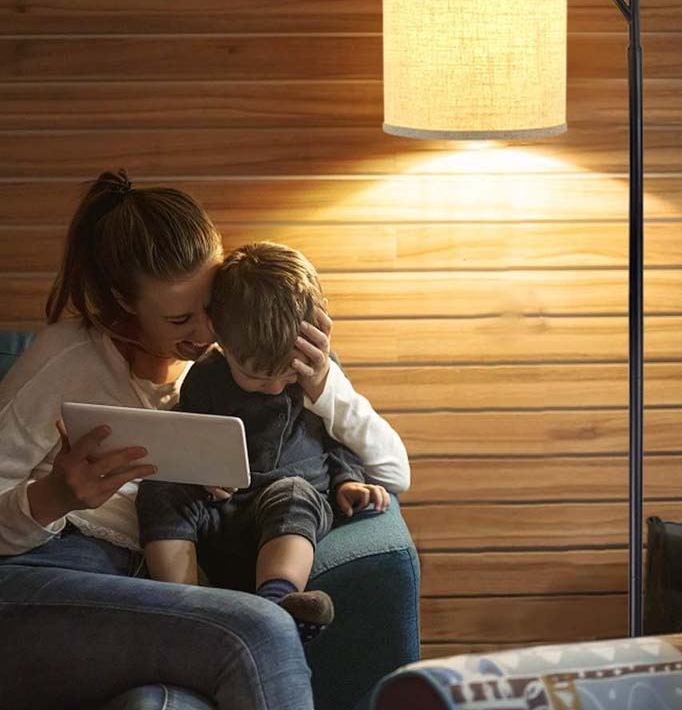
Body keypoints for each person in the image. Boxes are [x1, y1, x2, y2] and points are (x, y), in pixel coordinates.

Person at [0, 170, 411, 710]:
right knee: (260, 628)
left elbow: (391, 471)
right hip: (43, 579)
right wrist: (53, 497)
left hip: (152, 590)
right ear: (126, 302)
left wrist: (325, 386)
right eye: (178, 318)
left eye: (210, 308)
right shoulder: (67, 359)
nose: (204, 332)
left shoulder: (236, 372)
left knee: (163, 706)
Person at [137, 241, 400, 644]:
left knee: (294, 493)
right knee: (160, 488)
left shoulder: (314, 373)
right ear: (222, 343)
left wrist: (348, 481)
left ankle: (279, 603)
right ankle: (185, 604)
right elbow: (185, 434)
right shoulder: (206, 376)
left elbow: (339, 441)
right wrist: (196, 470)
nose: (276, 386)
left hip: (284, 511)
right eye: (258, 378)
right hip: (218, 509)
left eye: (286, 377)